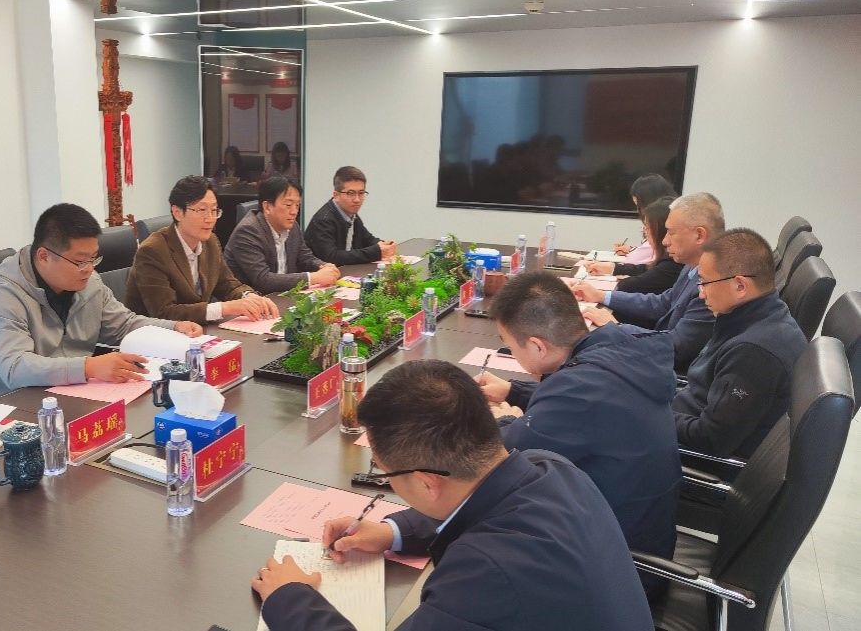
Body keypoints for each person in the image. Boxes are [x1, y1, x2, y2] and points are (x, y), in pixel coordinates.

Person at [252, 360, 654, 631]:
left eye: (383, 470)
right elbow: (483, 504)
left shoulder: (483, 575)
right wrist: (392, 532)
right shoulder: (547, 466)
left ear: (427, 482)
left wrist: (290, 598)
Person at [475, 271, 680, 599]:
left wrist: (505, 420)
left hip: (615, 573)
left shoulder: (577, 391)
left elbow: (501, 458)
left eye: (510, 346)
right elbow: (588, 402)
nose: (512, 353)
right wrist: (514, 391)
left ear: (537, 346)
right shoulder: (621, 345)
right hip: (633, 534)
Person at [0, 203, 203, 400]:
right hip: (6, 406)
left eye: (93, 258)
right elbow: (15, 368)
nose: (89, 269)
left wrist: (174, 327)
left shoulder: (89, 283)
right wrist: (89, 367)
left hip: (69, 393)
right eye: (80, 261)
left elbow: (123, 325)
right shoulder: (1, 297)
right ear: (44, 256)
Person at [674, 228, 807, 459]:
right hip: (684, 415)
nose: (701, 294)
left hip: (691, 455)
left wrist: (651, 415)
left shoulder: (754, 353)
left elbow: (711, 439)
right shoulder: (754, 317)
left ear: (740, 286)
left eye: (704, 282)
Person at [572, 192, 723, 373]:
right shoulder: (691, 266)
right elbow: (663, 303)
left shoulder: (713, 284)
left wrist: (617, 327)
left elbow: (676, 348)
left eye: (671, 232)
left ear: (699, 235)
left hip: (666, 371)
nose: (665, 241)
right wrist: (601, 296)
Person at [124, 175, 279, 325]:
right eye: (202, 210)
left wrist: (249, 297)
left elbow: (227, 284)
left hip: (197, 331)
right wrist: (224, 308)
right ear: (178, 212)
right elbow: (164, 312)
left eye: (214, 210)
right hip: (154, 336)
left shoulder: (210, 242)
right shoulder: (152, 251)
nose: (210, 218)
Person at [223, 176, 340, 293]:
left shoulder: (293, 226)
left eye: (297, 205)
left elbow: (305, 257)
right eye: (288, 205)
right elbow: (263, 280)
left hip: (284, 295)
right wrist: (313, 278)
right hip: (254, 299)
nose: (294, 211)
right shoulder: (248, 231)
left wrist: (323, 266)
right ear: (267, 207)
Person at [581, 196, 683, 294]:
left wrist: (626, 280)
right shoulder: (668, 259)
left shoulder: (673, 263)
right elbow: (647, 269)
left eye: (647, 227)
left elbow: (630, 285)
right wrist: (612, 268)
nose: (645, 232)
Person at [304, 166, 396, 265]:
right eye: (350, 193)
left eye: (361, 193)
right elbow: (331, 257)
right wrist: (376, 252)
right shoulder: (323, 220)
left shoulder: (351, 214)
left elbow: (367, 239)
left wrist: (385, 245)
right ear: (336, 195)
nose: (357, 199)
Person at [614, 173, 677, 263]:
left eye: (639, 205)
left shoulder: (663, 221)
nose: (638, 211)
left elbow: (635, 259)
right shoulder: (673, 212)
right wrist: (631, 250)